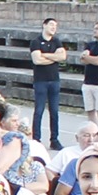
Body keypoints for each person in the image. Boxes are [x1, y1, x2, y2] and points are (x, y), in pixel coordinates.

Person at [29, 17, 68, 150]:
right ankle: (36, 138)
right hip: (41, 80)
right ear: (44, 25)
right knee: (39, 110)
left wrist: (45, 55)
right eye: (51, 25)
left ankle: (54, 139)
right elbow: (37, 60)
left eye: (55, 26)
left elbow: (62, 57)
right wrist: (53, 57)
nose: (53, 28)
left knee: (54, 111)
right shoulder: (36, 42)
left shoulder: (56, 41)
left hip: (54, 79)